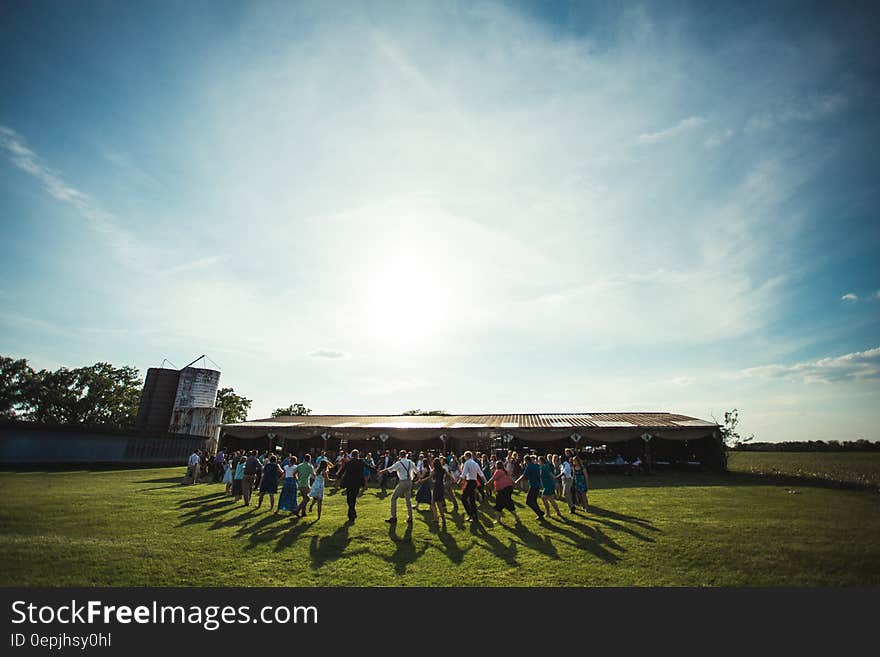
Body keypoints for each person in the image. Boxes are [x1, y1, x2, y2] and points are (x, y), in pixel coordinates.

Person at [380, 450, 416, 524]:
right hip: (410, 482)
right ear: (406, 455)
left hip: (403, 482)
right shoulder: (410, 462)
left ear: (400, 456)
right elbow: (417, 471)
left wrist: (380, 472)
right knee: (408, 500)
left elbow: (389, 469)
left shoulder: (399, 463)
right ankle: (410, 517)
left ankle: (394, 517)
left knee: (393, 498)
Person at [458, 450, 486, 522]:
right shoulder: (475, 463)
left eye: (464, 456)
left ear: (467, 456)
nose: (464, 458)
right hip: (474, 482)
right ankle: (474, 516)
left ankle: (470, 514)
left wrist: (458, 481)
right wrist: (486, 482)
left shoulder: (467, 463)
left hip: (470, 482)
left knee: (464, 499)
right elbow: (481, 474)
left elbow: (463, 474)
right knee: (472, 500)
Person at [339, 449, 366, 522]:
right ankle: (352, 513)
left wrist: (337, 475)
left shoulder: (349, 463)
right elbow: (368, 466)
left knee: (349, 499)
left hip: (349, 482)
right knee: (353, 498)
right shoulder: (361, 462)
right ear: (358, 455)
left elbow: (343, 470)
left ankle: (351, 513)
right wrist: (378, 471)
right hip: (357, 483)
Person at [515, 454, 544, 520]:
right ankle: (540, 514)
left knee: (528, 501)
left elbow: (524, 476)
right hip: (537, 485)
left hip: (533, 485)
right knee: (534, 501)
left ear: (526, 460)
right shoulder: (536, 465)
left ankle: (539, 513)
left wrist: (517, 481)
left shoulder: (529, 466)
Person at [430, 457, 447, 529]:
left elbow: (429, 477)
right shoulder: (443, 470)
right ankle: (443, 518)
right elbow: (449, 475)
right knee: (439, 503)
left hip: (436, 486)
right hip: (441, 486)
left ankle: (436, 518)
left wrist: (421, 480)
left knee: (433, 503)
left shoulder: (435, 471)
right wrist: (455, 481)